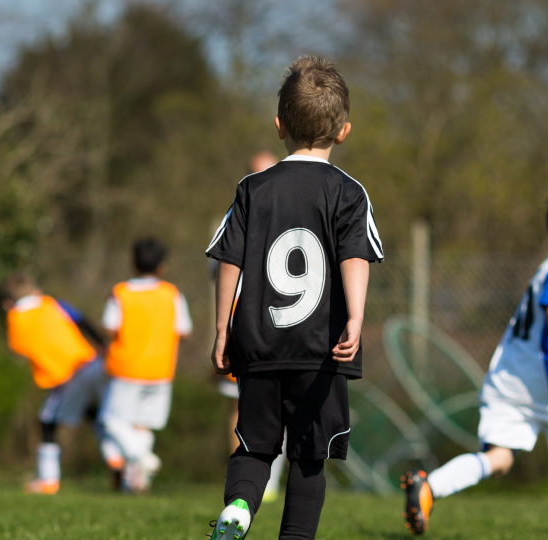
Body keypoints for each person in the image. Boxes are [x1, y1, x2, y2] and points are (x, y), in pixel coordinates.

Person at [205, 56, 383, 540]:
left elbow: (229, 261)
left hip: (259, 343)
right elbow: (354, 257)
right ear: (344, 131)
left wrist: (223, 328)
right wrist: (357, 318)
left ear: (279, 124)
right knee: (310, 456)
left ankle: (240, 506)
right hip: (320, 351)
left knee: (254, 446)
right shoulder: (349, 193)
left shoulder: (252, 189)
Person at [401, 192, 548, 540]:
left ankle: (428, 486)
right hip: (544, 379)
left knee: (499, 459)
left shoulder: (547, 267)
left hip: (507, 375)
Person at [214, 150, 288, 503]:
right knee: (241, 410)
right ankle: (243, 481)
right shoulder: (239, 210)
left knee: (286, 410)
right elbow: (223, 270)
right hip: (248, 328)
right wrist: (223, 329)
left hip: (284, 329)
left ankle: (263, 486)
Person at [2, 273, 110, 495]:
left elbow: (16, 349)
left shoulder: (15, 318)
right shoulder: (53, 303)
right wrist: (102, 345)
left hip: (66, 375)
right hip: (91, 362)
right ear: (35, 292)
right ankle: (118, 465)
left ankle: (48, 480)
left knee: (47, 421)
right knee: (95, 414)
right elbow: (82, 321)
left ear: (8, 303)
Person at [100, 237, 193, 492]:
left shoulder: (120, 292)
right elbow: (184, 331)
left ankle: (142, 458)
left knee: (111, 421)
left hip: (126, 368)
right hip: (161, 370)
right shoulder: (172, 294)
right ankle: (137, 483)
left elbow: (109, 327)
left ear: (132, 264)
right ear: (162, 267)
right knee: (143, 424)